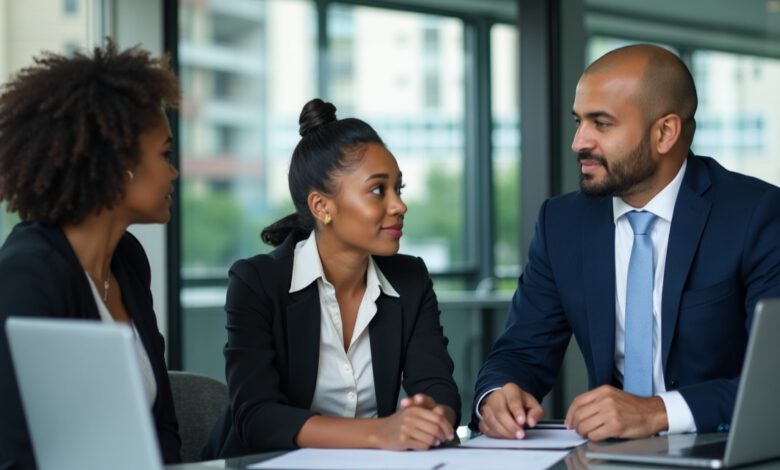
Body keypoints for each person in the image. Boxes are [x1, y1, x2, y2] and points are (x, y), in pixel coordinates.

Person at [473, 44, 780, 442]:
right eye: (578, 121)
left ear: (665, 132)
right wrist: (499, 394)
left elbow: (773, 381)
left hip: (723, 448)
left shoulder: (756, 215)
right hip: (608, 456)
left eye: (601, 124)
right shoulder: (562, 222)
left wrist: (657, 412)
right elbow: (520, 352)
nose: (579, 142)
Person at [202, 98, 460, 458]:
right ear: (322, 207)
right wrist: (379, 432)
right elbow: (258, 417)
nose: (399, 206)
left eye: (398, 190)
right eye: (377, 190)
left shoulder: (410, 279)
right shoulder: (257, 282)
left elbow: (437, 385)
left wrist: (433, 416)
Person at [0, 40, 182, 468]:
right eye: (165, 154)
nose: (174, 171)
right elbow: (15, 454)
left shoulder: (129, 262)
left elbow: (163, 426)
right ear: (119, 165)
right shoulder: (25, 279)